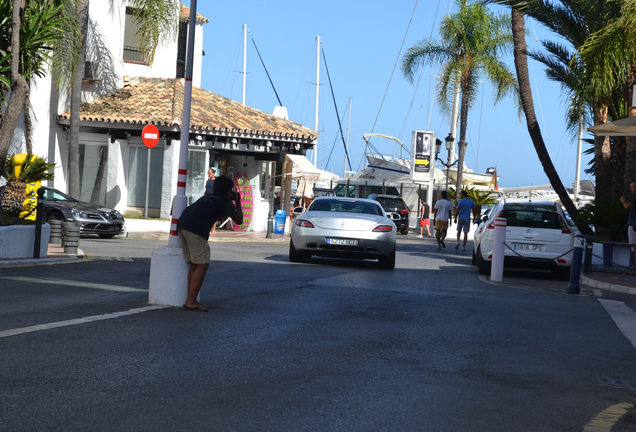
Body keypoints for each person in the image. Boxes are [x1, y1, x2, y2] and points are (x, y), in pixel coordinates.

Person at [177, 175, 243, 311]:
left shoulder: (208, 197)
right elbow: (239, 220)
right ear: (228, 191)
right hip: (195, 230)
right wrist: (238, 203)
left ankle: (191, 299)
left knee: (195, 264)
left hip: (182, 226)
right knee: (202, 264)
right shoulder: (225, 201)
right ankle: (190, 301)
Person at [620, 181, 636, 270]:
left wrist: (623, 201)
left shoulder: (635, 199)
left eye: (632, 187)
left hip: (633, 224)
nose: (630, 189)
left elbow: (627, 206)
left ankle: (635, 264)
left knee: (633, 244)